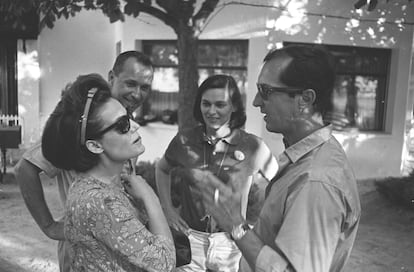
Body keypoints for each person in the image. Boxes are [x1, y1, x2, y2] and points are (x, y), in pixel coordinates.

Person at [193, 45, 361, 272]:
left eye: (266, 91)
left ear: (305, 99)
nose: (256, 102)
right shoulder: (303, 157)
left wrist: (236, 225)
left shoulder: (315, 181)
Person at [14, 50, 154, 271]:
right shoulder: (86, 122)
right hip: (85, 252)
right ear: (111, 78)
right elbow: (25, 168)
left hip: (118, 246)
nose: (137, 94)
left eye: (145, 87)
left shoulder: (125, 123)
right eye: (130, 83)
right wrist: (49, 226)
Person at [41, 73, 175, 271]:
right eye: (123, 125)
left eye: (128, 118)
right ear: (95, 146)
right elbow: (164, 262)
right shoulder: (100, 201)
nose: (135, 126)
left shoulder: (102, 184)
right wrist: (150, 197)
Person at [155, 74, 278, 272]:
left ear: (234, 106)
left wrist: (260, 228)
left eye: (220, 104)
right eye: (206, 104)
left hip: (230, 242)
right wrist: (167, 209)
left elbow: (279, 186)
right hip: (190, 239)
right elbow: (162, 168)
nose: (212, 111)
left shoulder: (253, 146)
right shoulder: (184, 140)